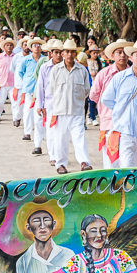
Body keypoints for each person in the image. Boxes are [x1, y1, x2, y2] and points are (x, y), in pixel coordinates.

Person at [101, 40, 137, 168]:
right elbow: (106, 99)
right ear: (131, 57)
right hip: (124, 132)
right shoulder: (120, 78)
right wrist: (120, 111)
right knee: (127, 168)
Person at [48, 39, 93, 174]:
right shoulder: (56, 70)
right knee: (60, 138)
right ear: (63, 53)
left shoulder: (82, 70)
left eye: (72, 52)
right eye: (67, 51)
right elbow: (52, 90)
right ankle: (60, 164)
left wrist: (77, 101)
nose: (69, 54)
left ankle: (84, 162)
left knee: (79, 137)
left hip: (77, 111)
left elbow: (86, 90)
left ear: (75, 53)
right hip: (60, 111)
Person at [90, 39, 131, 168]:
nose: (123, 55)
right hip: (109, 122)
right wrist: (105, 109)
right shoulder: (104, 74)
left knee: (127, 160)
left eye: (125, 52)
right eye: (119, 52)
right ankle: (110, 186)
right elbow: (94, 95)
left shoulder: (134, 74)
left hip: (129, 123)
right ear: (112, 56)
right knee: (110, 160)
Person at [36, 39, 64, 165]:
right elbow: (40, 87)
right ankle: (53, 155)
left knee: (62, 132)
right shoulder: (44, 67)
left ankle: (60, 155)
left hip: (64, 105)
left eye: (60, 52)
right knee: (51, 131)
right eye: (56, 52)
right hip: (50, 104)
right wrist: (39, 105)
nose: (58, 55)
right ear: (51, 53)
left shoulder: (67, 67)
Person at [17, 37, 45, 149]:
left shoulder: (45, 60)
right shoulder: (26, 60)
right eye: (34, 45)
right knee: (28, 111)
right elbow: (21, 72)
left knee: (40, 113)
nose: (37, 47)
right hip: (29, 89)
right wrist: (27, 81)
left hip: (42, 90)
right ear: (30, 48)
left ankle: (41, 134)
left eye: (39, 45)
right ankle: (27, 132)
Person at [0, 38, 16, 123]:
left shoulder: (16, 57)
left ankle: (16, 119)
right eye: (7, 45)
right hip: (2, 83)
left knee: (15, 102)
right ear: (4, 47)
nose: (9, 47)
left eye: (11, 45)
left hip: (14, 84)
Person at [10, 38, 30, 127]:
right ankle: (16, 118)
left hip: (30, 85)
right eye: (25, 45)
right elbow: (13, 69)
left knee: (28, 105)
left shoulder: (34, 57)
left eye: (28, 45)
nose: (27, 47)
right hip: (19, 84)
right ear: (21, 46)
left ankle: (27, 123)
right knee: (17, 104)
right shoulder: (17, 57)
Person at [85, 45, 104, 126]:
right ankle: (91, 117)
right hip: (89, 82)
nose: (95, 55)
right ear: (90, 53)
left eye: (96, 53)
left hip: (97, 83)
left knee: (94, 101)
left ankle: (91, 117)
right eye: (94, 53)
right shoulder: (87, 61)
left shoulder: (99, 62)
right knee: (89, 101)